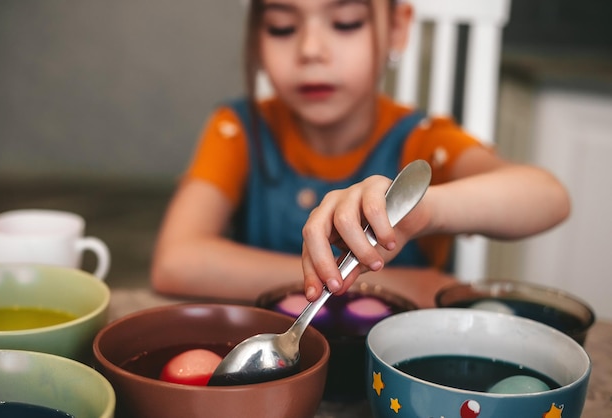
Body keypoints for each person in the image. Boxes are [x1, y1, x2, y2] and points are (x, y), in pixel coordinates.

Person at [151, 0, 570, 308]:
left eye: (346, 22)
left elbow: (547, 196)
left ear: (398, 27)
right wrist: (385, 282)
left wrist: (425, 209)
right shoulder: (238, 129)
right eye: (281, 27)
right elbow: (176, 261)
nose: (311, 50)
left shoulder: (423, 139)